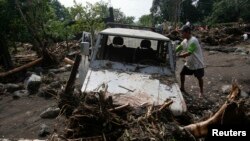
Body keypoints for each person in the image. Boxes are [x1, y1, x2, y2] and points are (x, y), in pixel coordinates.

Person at [176, 25, 205, 98]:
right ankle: (182, 87)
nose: (181, 34)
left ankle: (201, 92)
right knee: (182, 73)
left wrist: (179, 56)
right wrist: (173, 51)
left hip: (197, 63)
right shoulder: (185, 41)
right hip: (189, 62)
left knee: (199, 78)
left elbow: (189, 52)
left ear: (187, 32)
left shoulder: (194, 40)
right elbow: (179, 47)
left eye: (182, 32)